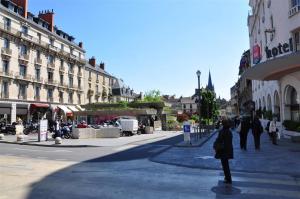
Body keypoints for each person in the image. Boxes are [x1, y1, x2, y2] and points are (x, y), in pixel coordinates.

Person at [213, 119, 233, 184]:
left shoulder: (222, 131)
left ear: (223, 124)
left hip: (223, 150)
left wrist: (216, 145)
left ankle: (228, 178)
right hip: (228, 149)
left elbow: (219, 140)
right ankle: (227, 177)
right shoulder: (229, 131)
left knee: (225, 165)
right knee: (226, 164)